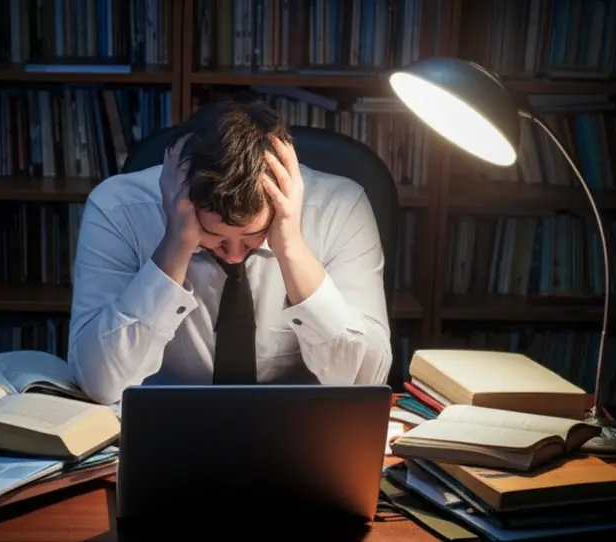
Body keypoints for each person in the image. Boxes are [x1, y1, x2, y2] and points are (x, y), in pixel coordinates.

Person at [68, 99, 392, 405]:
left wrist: (291, 247)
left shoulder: (341, 208)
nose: (235, 255)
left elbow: (366, 381)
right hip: (163, 426)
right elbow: (100, 382)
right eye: (214, 236)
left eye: (252, 236)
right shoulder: (118, 208)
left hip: (300, 429)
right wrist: (175, 244)